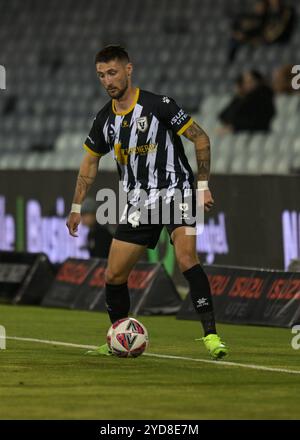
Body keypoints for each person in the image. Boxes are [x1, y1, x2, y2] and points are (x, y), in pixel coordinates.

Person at [66, 45, 228, 359]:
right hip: (139, 203)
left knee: (186, 258)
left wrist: (202, 185)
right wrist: (75, 207)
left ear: (129, 69)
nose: (107, 80)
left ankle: (211, 336)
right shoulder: (104, 120)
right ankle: (118, 338)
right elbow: (89, 164)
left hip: (176, 192)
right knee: (114, 275)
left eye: (112, 72)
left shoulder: (159, 105)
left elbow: (201, 137)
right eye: (101, 75)